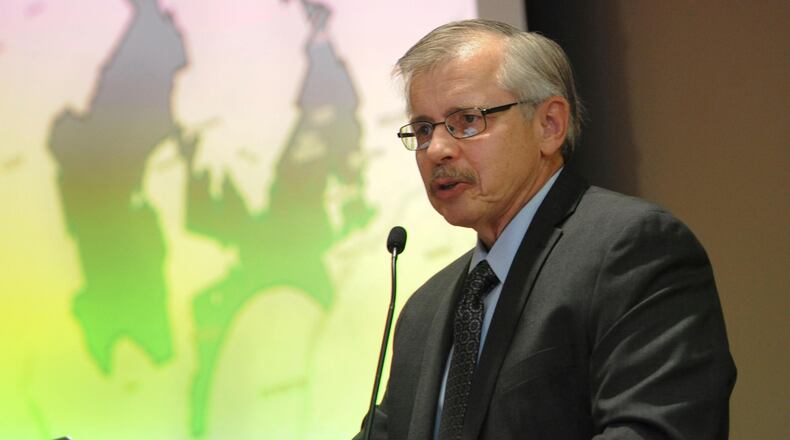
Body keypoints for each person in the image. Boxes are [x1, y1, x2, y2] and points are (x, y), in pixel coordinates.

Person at [355, 19, 736, 440]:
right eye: (424, 130)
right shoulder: (422, 312)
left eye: (467, 120)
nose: (437, 150)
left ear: (549, 125)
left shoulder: (633, 251)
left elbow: (655, 430)